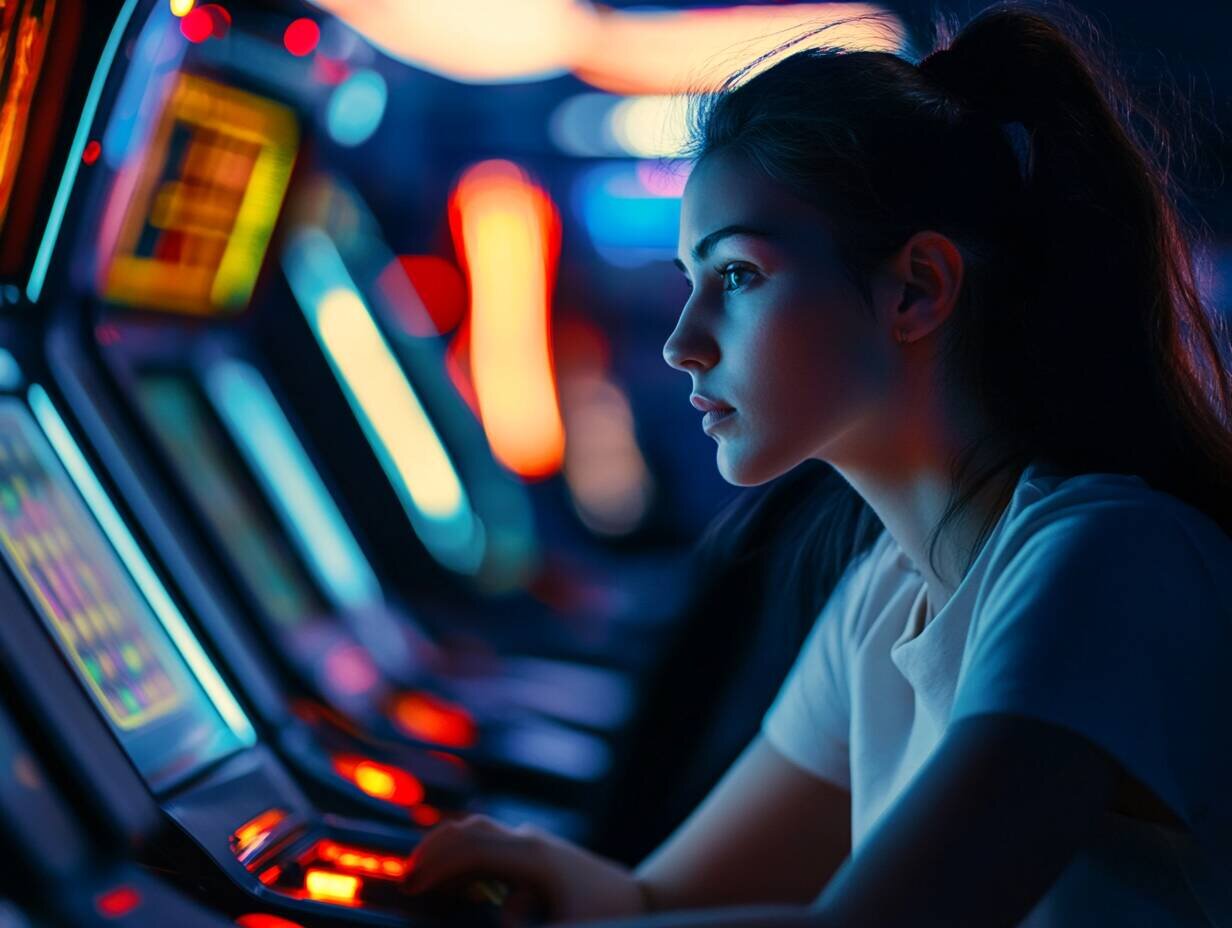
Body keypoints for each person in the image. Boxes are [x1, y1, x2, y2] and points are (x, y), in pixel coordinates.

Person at [405, 4, 1232, 925]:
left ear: (917, 288)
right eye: (690, 281)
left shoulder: (1106, 559)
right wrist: (535, 867)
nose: (683, 343)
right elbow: (656, 899)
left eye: (738, 276)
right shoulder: (885, 594)